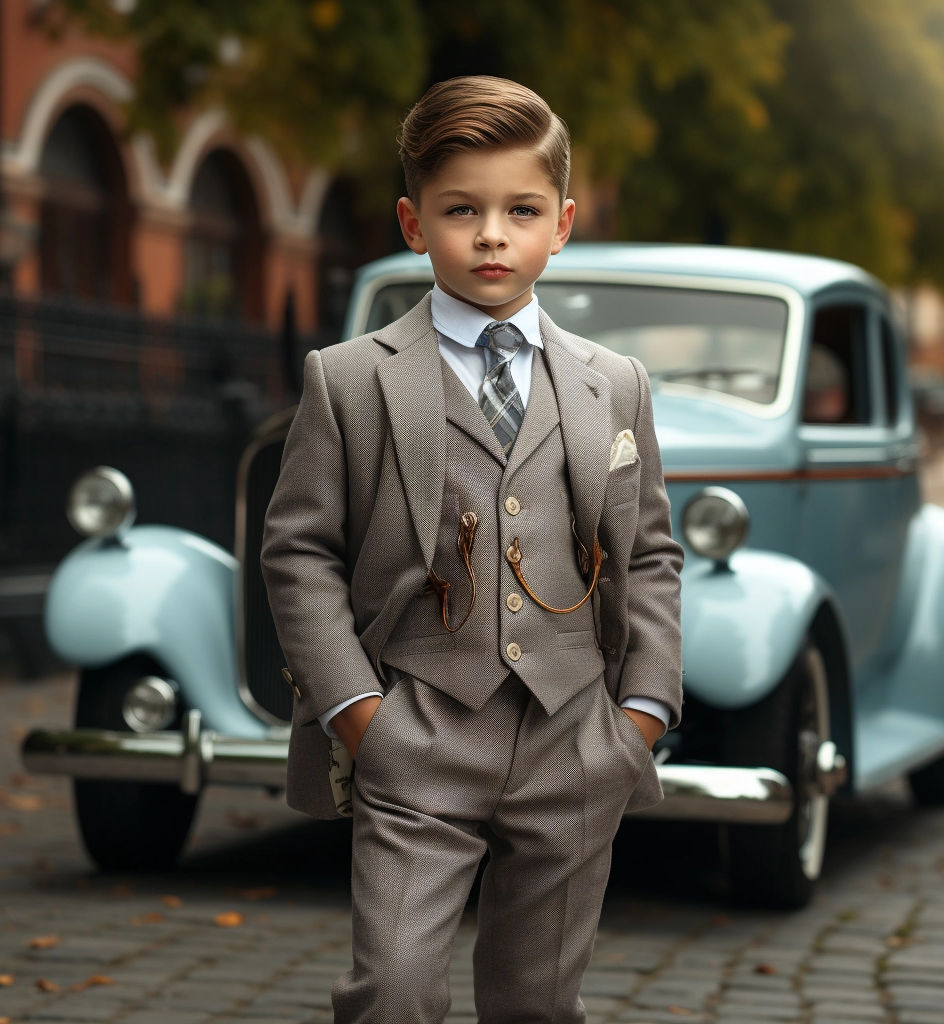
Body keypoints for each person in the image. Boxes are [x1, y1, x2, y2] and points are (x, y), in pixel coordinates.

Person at [261, 75, 684, 1024]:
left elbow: (651, 550)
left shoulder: (614, 384)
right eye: (462, 210)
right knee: (395, 989)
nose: (493, 233)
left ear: (562, 224)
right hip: (418, 728)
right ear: (414, 224)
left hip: (577, 734)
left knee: (537, 1002)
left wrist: (643, 715)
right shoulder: (351, 380)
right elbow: (298, 555)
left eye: (521, 209)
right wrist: (361, 716)